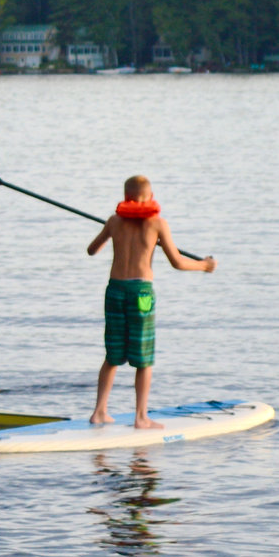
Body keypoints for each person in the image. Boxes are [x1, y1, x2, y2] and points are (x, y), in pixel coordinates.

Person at [86, 175, 215, 429]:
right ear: (148, 197)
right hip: (141, 293)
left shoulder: (114, 221)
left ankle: (99, 412)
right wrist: (204, 266)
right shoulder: (157, 224)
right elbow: (178, 262)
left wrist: (111, 234)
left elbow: (91, 250)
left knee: (112, 354)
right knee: (143, 357)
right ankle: (141, 417)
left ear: (126, 197)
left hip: (114, 291)